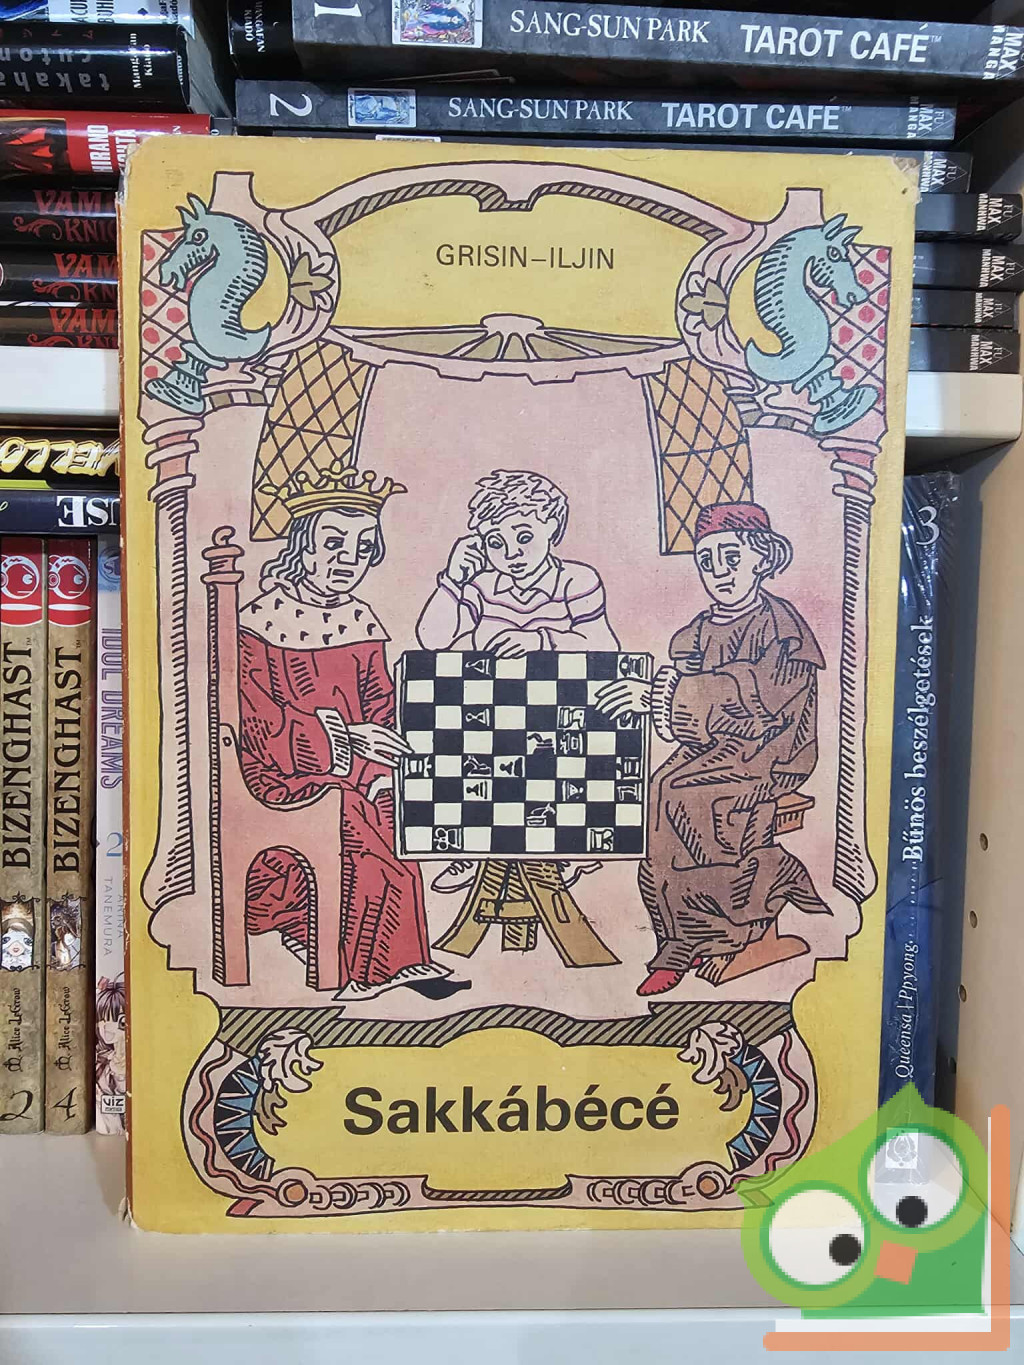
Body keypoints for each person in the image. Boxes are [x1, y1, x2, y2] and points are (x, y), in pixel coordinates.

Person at [238, 461, 464, 1002]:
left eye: (363, 548)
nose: (348, 559)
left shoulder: (361, 619)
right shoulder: (259, 620)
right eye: (334, 543)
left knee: (392, 808)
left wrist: (381, 769)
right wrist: (348, 742)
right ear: (302, 547)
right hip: (276, 777)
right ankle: (358, 966)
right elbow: (260, 723)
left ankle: (395, 958)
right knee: (356, 816)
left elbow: (380, 709)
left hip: (351, 772)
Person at [596, 500, 830, 996]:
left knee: (685, 794)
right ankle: (678, 938)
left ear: (762, 558)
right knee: (656, 791)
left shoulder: (783, 629)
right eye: (707, 560)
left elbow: (757, 700)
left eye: (731, 557)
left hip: (773, 752)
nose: (718, 571)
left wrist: (663, 696)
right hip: (718, 746)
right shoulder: (702, 629)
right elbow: (699, 708)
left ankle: (734, 923)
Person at [416, 469, 618, 967]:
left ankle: (568, 846)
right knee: (449, 734)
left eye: (524, 536)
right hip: (494, 720)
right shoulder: (482, 585)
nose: (512, 553)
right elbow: (431, 639)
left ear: (552, 528)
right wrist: (452, 580)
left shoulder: (576, 581)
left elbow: (605, 648)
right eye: (496, 542)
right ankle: (470, 845)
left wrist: (541, 641)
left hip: (561, 720)